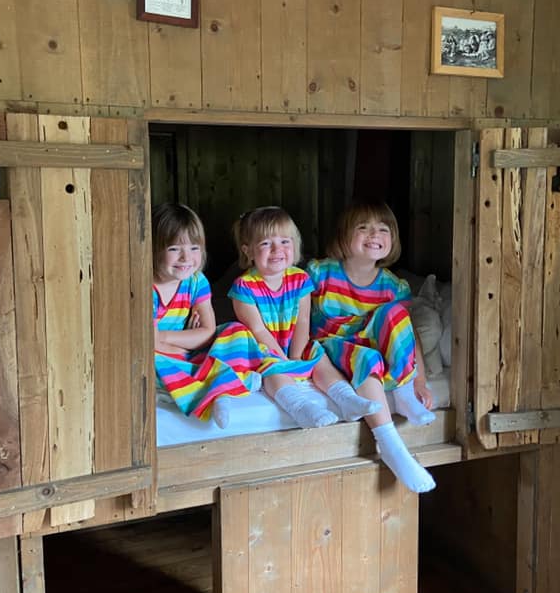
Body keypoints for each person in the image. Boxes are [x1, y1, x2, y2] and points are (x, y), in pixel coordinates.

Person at [306, 200, 437, 493]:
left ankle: (403, 392)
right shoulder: (320, 273)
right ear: (343, 237)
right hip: (333, 346)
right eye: (362, 228)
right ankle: (390, 444)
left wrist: (421, 380)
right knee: (366, 357)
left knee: (396, 314)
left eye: (383, 229)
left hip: (376, 351)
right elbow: (296, 315)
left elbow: (407, 335)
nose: (374, 234)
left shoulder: (393, 285)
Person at [229, 207, 381, 428]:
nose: (277, 250)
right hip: (261, 347)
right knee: (271, 370)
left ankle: (347, 399)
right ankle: (302, 408)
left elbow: (302, 321)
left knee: (318, 356)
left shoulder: (300, 279)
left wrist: (298, 356)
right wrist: (284, 361)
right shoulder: (244, 287)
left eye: (285, 242)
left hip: (293, 341)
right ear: (248, 251)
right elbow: (258, 330)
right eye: (265, 243)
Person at [152, 202, 262, 429]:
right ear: (153, 249)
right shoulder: (147, 288)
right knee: (148, 359)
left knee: (236, 331)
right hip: (163, 355)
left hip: (187, 350)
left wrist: (164, 336)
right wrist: (184, 344)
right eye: (174, 249)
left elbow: (208, 331)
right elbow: (148, 343)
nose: (186, 258)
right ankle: (218, 387)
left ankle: (216, 387)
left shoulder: (196, 281)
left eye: (194, 248)